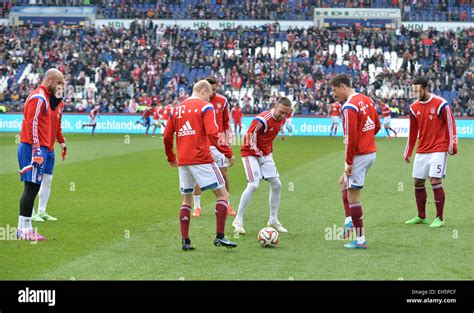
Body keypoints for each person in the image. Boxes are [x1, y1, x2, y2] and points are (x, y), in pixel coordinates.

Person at [163, 80, 237, 251]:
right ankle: (220, 237)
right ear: (203, 91)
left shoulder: (176, 109)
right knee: (222, 195)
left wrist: (171, 157)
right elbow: (212, 133)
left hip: (183, 161)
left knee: (186, 200)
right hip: (202, 158)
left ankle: (186, 241)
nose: (211, 98)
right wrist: (227, 152)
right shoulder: (205, 107)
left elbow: (167, 136)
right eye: (210, 94)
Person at [331, 73, 380, 249]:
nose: (335, 94)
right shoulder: (366, 99)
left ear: (342, 86)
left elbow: (351, 138)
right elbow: (377, 125)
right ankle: (349, 220)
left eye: (335, 90)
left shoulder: (349, 106)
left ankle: (360, 240)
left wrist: (349, 162)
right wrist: (366, 140)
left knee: (353, 198)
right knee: (344, 184)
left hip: (359, 155)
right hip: (370, 153)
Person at [232, 97, 293, 235]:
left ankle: (273, 220)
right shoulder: (262, 119)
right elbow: (248, 137)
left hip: (265, 154)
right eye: (282, 112)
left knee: (277, 184)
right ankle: (238, 220)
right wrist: (259, 153)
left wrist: (266, 153)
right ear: (276, 105)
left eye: (286, 114)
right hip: (249, 152)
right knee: (253, 185)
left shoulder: (282, 118)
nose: (283, 116)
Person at [16, 68, 65, 241]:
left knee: (31, 187)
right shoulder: (39, 97)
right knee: (31, 188)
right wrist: (37, 149)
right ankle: (26, 229)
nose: (61, 86)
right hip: (32, 147)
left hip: (35, 147)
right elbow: (32, 123)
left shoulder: (44, 97)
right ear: (50, 80)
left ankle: (22, 228)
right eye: (59, 82)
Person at [404, 77, 457, 228]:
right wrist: (408, 151)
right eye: (413, 90)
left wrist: (453, 144)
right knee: (418, 182)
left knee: (434, 180)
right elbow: (413, 132)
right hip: (422, 149)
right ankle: (421, 216)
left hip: (439, 148)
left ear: (426, 88)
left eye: (418, 90)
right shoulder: (414, 107)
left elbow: (451, 123)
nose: (415, 93)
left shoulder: (441, 103)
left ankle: (439, 218)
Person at [192, 76, 236, 217]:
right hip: (202, 143)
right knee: (199, 176)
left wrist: (228, 140)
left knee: (223, 174)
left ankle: (227, 203)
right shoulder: (197, 102)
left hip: (218, 143)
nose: (212, 93)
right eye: (210, 90)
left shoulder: (222, 100)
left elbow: (226, 121)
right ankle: (197, 207)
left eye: (215, 89)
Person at [32, 86, 67, 223]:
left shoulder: (60, 104)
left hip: (50, 147)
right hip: (40, 147)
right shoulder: (43, 101)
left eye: (62, 89)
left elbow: (58, 125)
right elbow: (33, 122)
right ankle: (30, 212)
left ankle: (42, 211)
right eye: (58, 89)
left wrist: (62, 142)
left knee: (48, 179)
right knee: (34, 181)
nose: (60, 91)